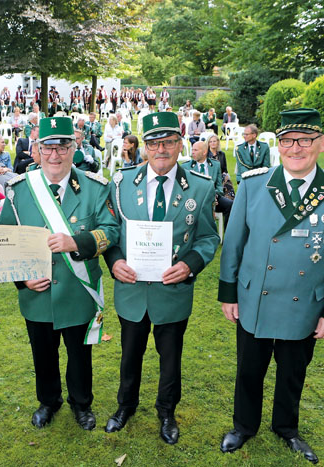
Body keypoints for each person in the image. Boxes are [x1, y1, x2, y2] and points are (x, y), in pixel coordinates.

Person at [218, 108, 324, 464]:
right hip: (255, 299)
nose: (295, 148)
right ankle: (243, 426)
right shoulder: (254, 184)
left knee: (292, 373)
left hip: (305, 305)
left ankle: (286, 427)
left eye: (305, 140)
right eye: (287, 141)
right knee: (248, 369)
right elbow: (233, 244)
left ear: (322, 143)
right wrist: (228, 294)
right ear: (277, 144)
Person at [103, 111, 219, 444]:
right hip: (133, 289)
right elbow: (111, 233)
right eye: (154, 143)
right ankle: (125, 406)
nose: (161, 150)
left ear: (180, 144)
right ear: (145, 148)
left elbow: (209, 237)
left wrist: (191, 264)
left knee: (170, 358)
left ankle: (167, 412)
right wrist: (114, 261)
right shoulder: (122, 183)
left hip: (173, 290)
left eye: (168, 142)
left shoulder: (200, 185)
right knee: (129, 354)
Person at [0, 116, 119, 431]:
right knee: (43, 355)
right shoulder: (19, 190)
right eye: (47, 148)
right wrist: (21, 279)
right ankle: (48, 401)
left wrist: (75, 242)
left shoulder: (95, 188)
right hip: (36, 293)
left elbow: (110, 231)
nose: (55, 155)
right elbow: (5, 241)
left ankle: (82, 404)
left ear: (74, 147)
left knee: (80, 356)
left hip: (78, 291)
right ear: (36, 150)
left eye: (63, 147)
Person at [185, 140, 233, 227]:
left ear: (204, 152)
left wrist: (214, 195)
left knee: (230, 205)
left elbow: (219, 186)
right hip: (195, 199)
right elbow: (185, 189)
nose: (192, 153)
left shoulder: (215, 165)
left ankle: (228, 237)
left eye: (196, 150)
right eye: (192, 150)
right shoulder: (186, 166)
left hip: (214, 197)